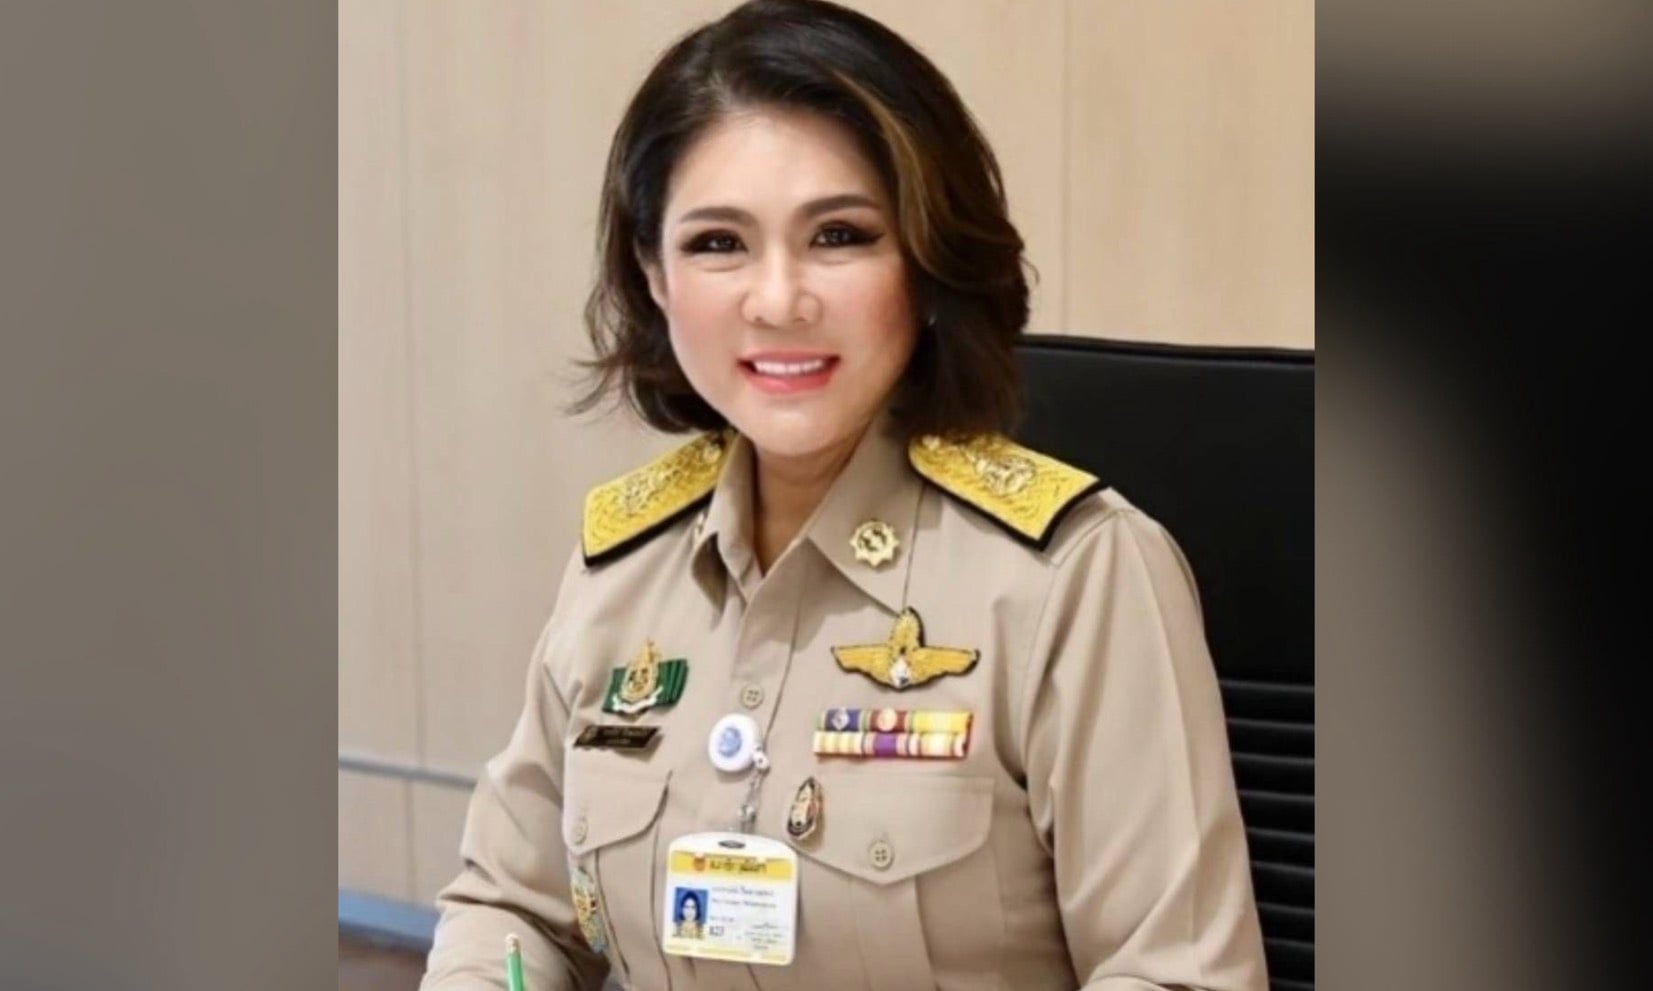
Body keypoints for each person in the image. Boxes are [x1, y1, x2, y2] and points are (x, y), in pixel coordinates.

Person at [419, 1, 1267, 988]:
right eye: (717, 243)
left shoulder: (1074, 576)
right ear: (652, 273)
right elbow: (511, 905)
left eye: (838, 235)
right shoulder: (624, 565)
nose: (779, 300)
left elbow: (1175, 972)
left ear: (926, 260)